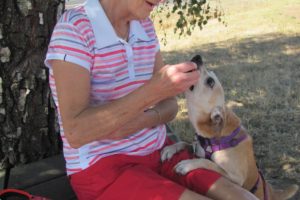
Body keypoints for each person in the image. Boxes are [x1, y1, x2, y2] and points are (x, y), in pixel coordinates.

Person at [45, 0, 259, 199]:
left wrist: (144, 120)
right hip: (103, 169)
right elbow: (76, 132)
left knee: (242, 196)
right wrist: (151, 91)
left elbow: (169, 106)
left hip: (161, 152)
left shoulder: (144, 26)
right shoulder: (74, 30)